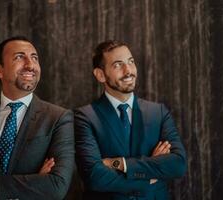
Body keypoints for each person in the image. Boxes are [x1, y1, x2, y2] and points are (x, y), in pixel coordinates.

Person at [0, 36, 75, 200]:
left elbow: (56, 186)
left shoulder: (59, 118)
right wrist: (32, 185)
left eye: (34, 58)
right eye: (19, 57)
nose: (30, 65)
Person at [74, 40, 187, 200]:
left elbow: (178, 164)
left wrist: (120, 164)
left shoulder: (158, 113)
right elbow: (94, 177)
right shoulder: (84, 116)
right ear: (100, 75)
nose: (128, 71)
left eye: (131, 62)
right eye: (118, 65)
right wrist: (150, 177)